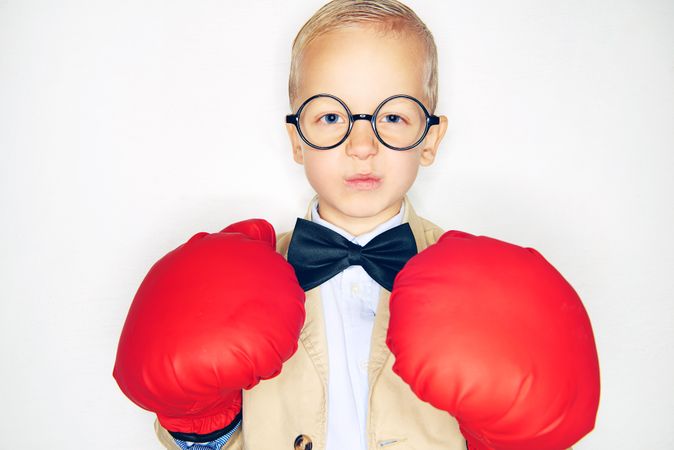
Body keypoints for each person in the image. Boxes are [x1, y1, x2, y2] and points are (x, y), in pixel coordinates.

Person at [113, 1, 599, 449]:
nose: (361, 144)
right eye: (329, 115)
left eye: (391, 116)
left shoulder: (480, 288)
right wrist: (201, 420)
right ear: (297, 140)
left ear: (429, 139)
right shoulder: (242, 280)